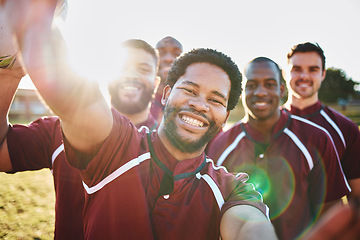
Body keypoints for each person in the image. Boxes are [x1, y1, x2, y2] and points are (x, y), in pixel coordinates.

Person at [3, 1, 278, 239]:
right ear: (167, 94)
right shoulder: (119, 143)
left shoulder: (233, 188)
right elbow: (74, 98)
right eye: (190, 90)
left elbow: (249, 228)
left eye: (216, 99)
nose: (199, 104)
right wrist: (32, 23)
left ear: (226, 115)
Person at [0, 38, 161, 239]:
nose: (131, 75)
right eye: (122, 67)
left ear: (156, 82)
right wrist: (9, 73)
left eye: (143, 69)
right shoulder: (58, 129)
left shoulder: (168, 146)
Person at [206, 57, 350, 240]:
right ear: (242, 91)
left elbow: (331, 214)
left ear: (281, 89)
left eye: (269, 84)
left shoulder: (316, 139)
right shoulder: (220, 144)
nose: (260, 92)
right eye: (252, 85)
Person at [283, 42, 360, 199]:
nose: (304, 76)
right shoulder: (265, 125)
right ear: (285, 73)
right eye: (296, 69)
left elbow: (357, 199)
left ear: (323, 74)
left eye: (313, 69)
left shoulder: (346, 129)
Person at [150, 36, 183, 123]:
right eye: (161, 53)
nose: (168, 59)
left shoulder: (189, 103)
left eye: (177, 54)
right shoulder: (140, 101)